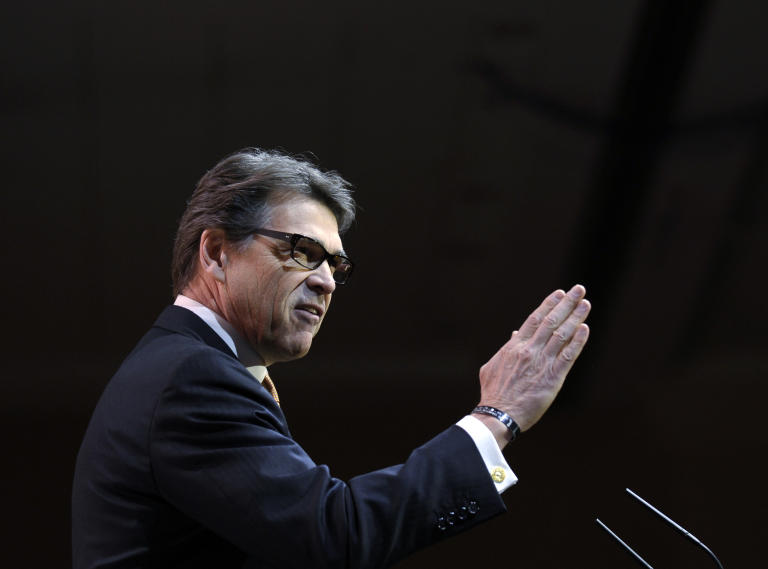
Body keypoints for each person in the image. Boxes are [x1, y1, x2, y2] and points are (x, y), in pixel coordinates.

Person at [72, 148, 591, 569]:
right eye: (301, 251)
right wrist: (496, 417)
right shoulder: (191, 377)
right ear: (215, 253)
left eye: (336, 266)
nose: (325, 282)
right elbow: (333, 534)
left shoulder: (188, 367)